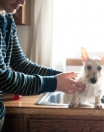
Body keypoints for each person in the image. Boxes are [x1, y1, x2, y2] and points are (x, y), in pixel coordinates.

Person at [0, 0, 85, 131]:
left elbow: (20, 63)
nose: (22, 2)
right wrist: (54, 83)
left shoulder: (7, 18)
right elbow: (3, 79)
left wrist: (62, 76)